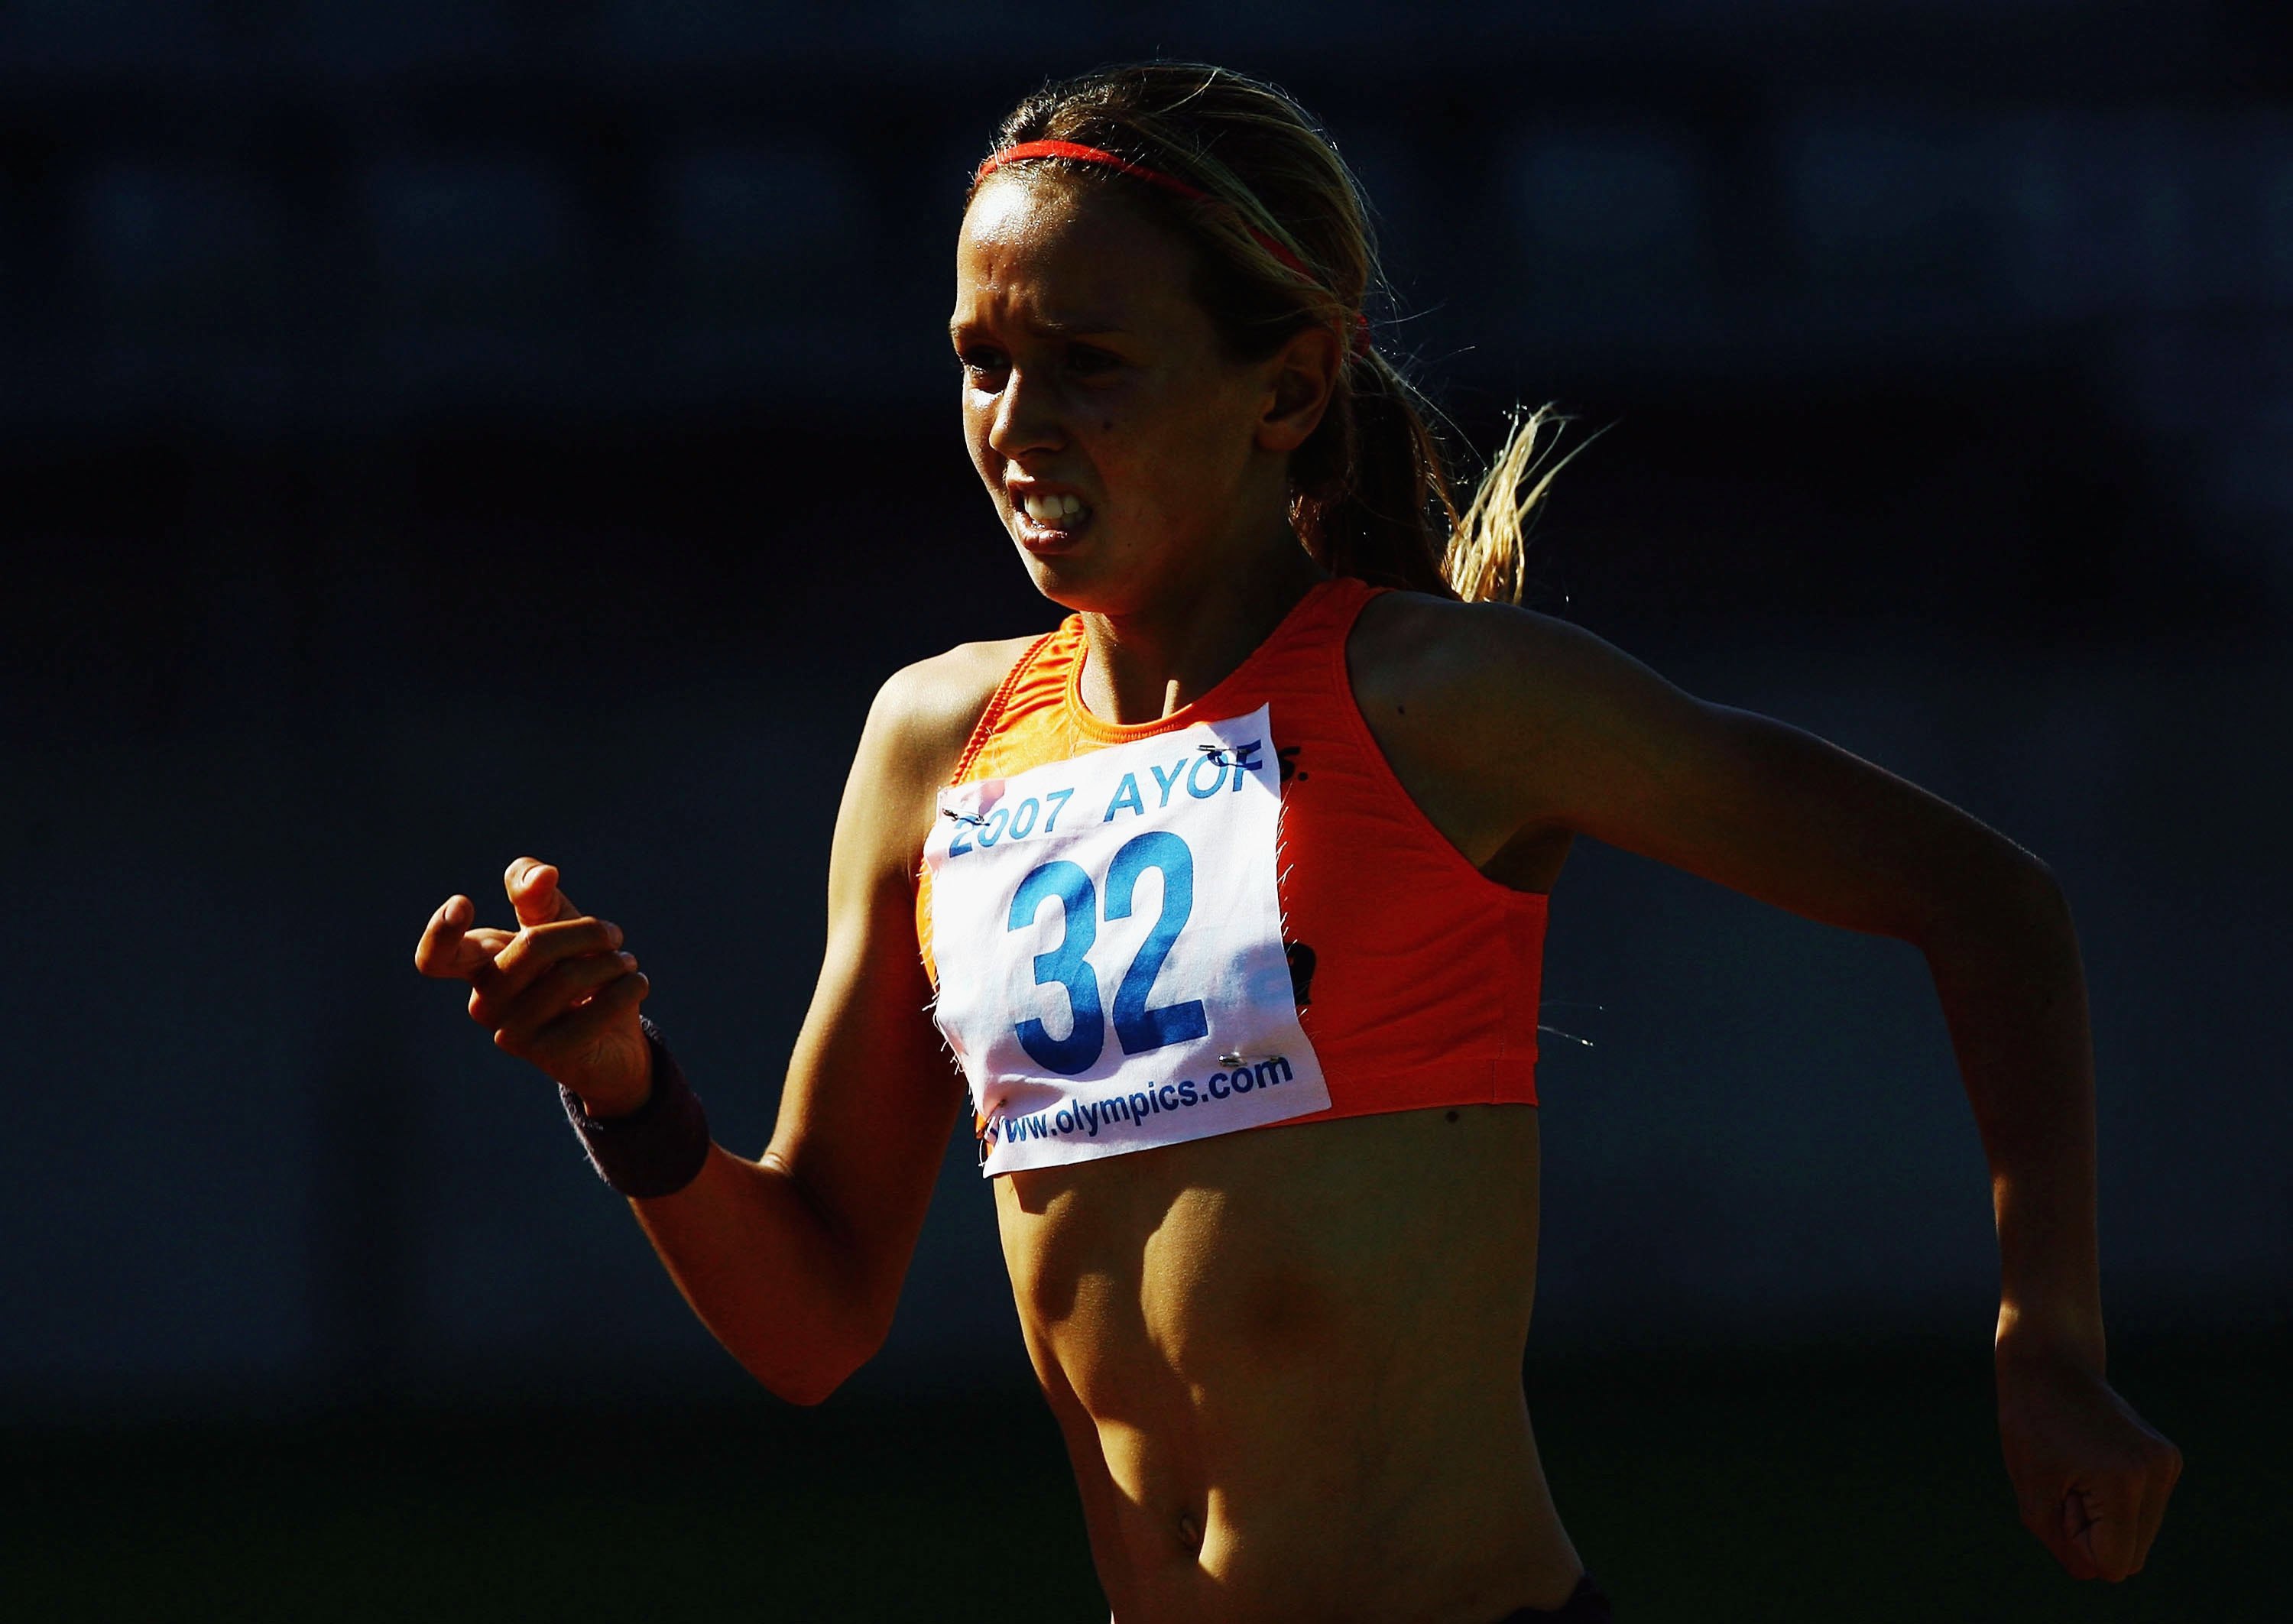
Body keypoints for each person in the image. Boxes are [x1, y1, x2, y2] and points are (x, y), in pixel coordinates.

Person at [412, 63, 2181, 1624]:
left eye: (1086, 366)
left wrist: (2050, 1338)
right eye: (979, 364)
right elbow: (809, 1322)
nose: (1015, 432)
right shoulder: (933, 748)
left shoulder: (1448, 697)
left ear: (1289, 386)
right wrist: (625, 1088)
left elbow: (1988, 902)